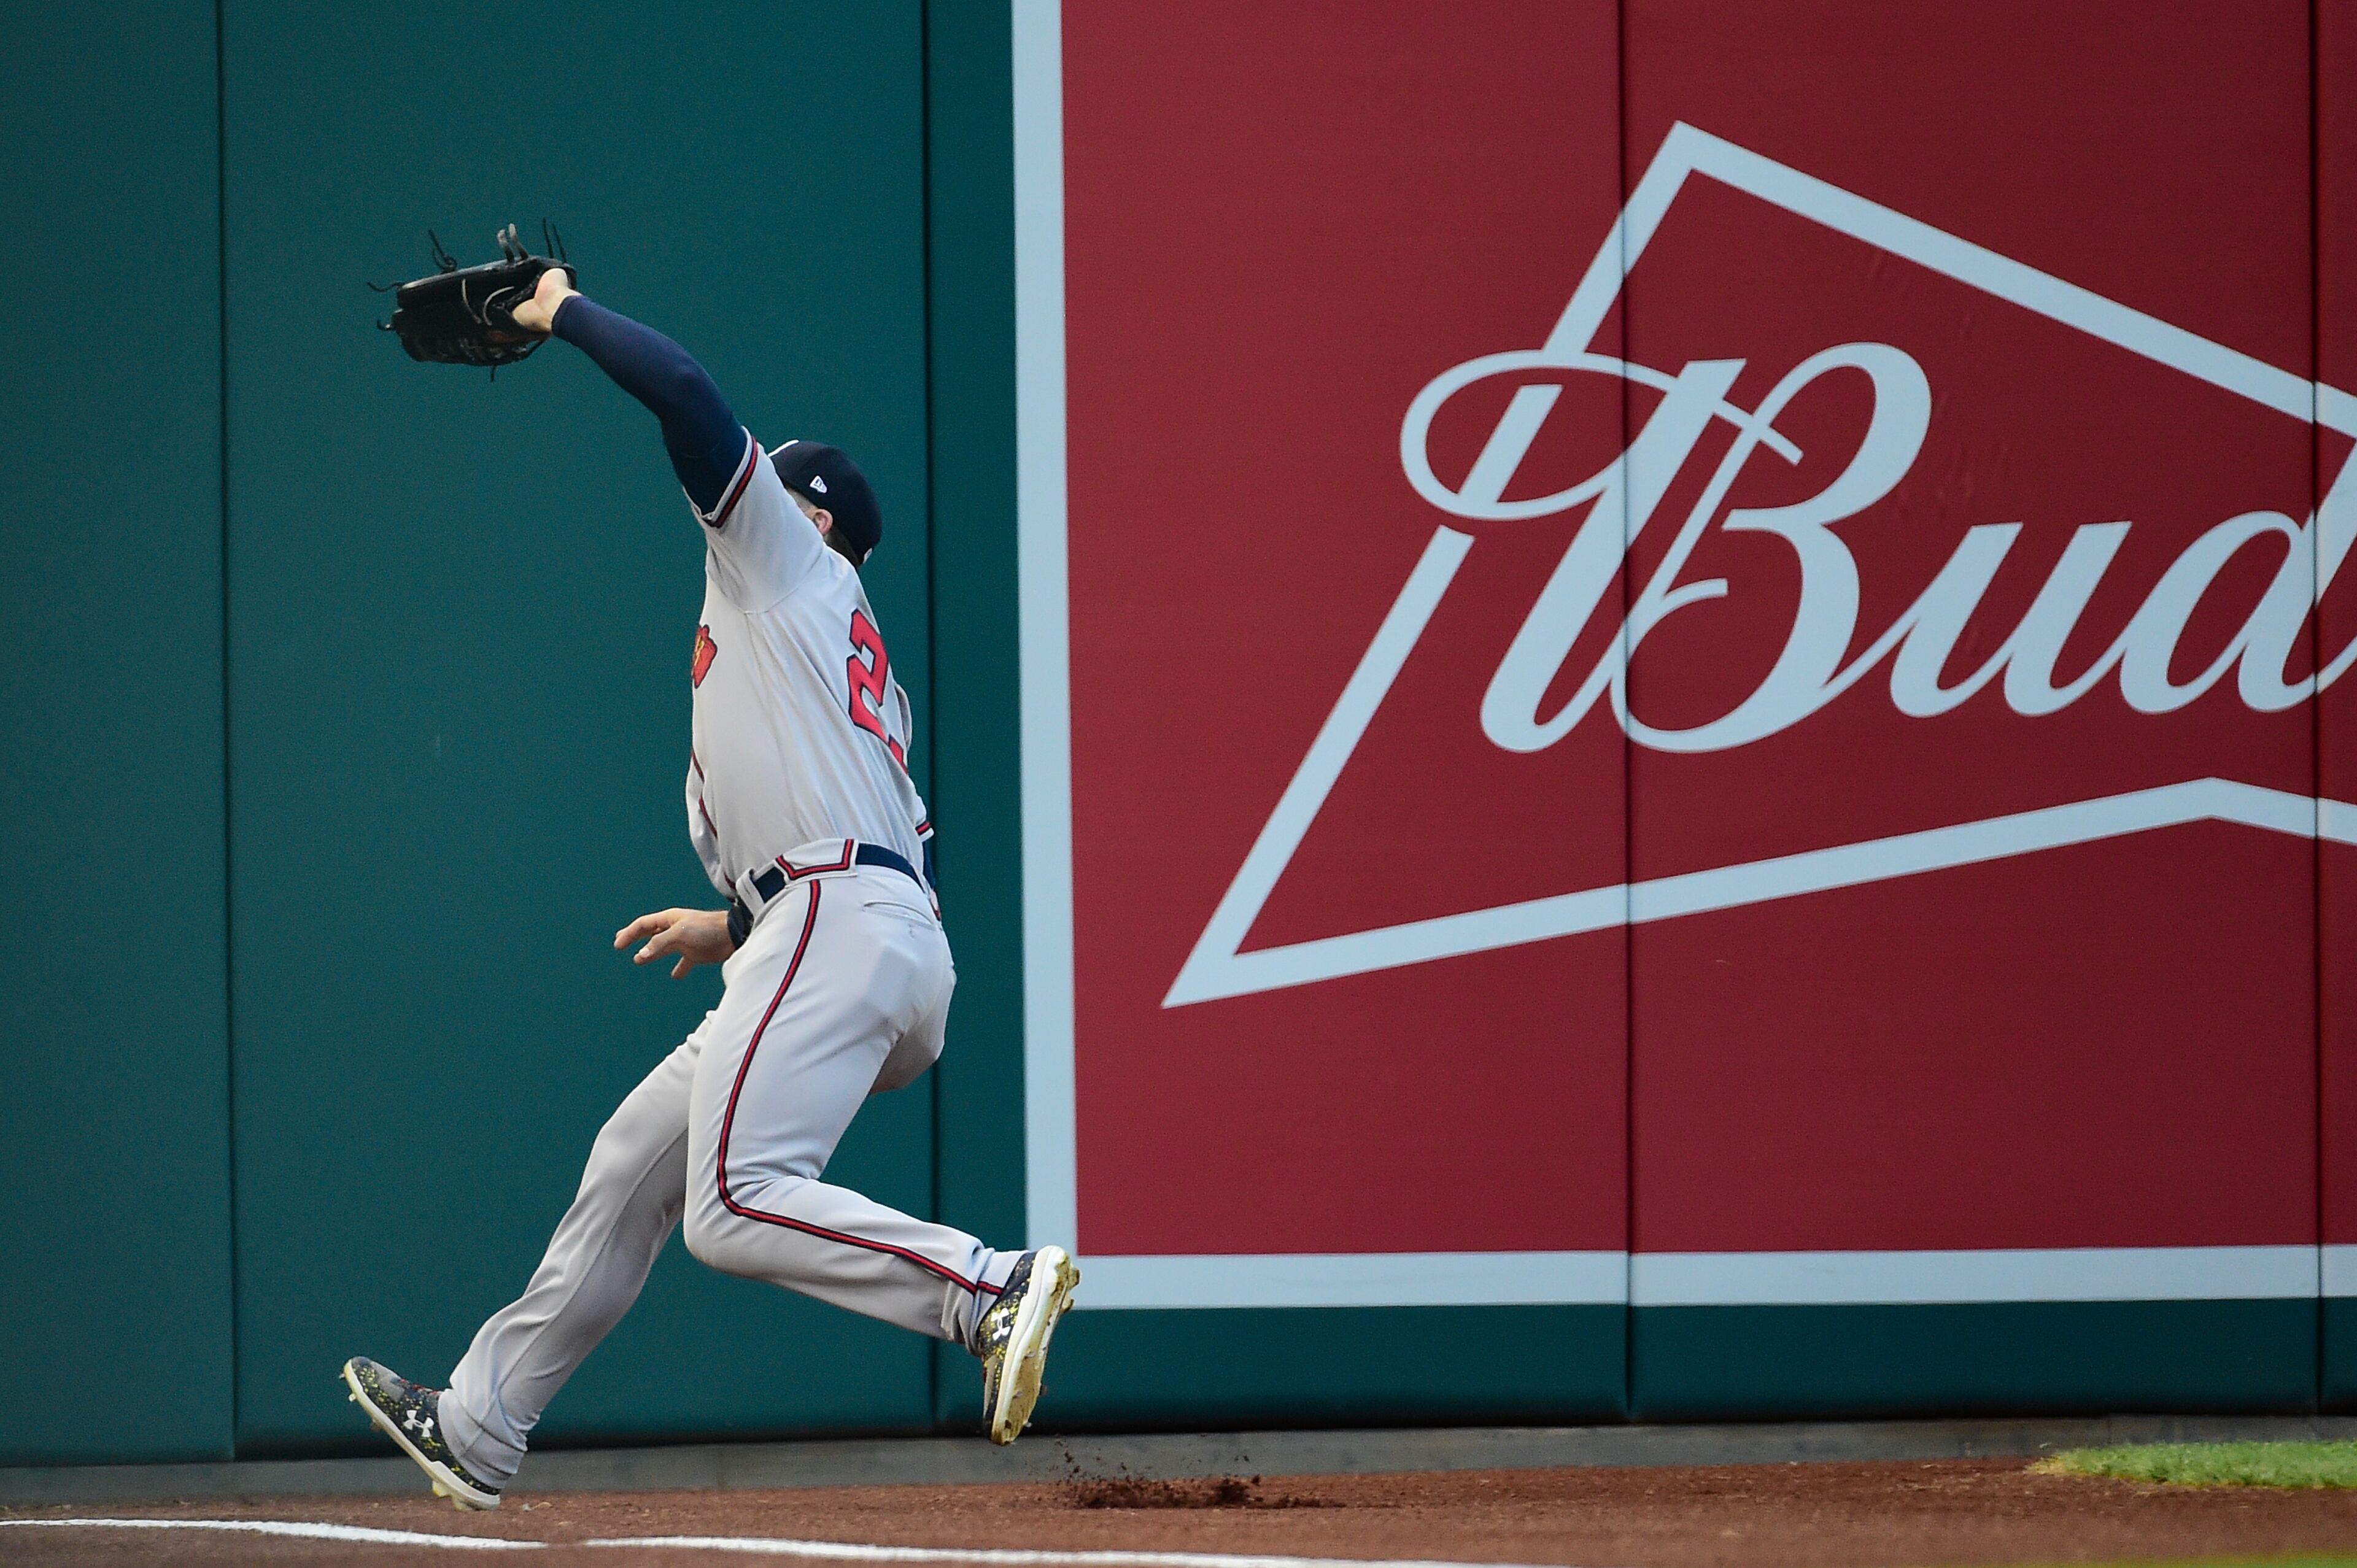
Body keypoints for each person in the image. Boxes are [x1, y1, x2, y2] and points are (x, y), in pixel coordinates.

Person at [341, 264, 1077, 1511]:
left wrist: (561, 309)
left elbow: (681, 390)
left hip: (836, 929)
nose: (746, 492)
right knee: (637, 1160)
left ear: (815, 517)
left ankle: (983, 1286)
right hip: (859, 937)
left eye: (775, 481)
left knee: (730, 1207)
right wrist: (740, 920)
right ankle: (482, 1422)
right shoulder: (818, 647)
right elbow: (905, 848)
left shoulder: (785, 560)